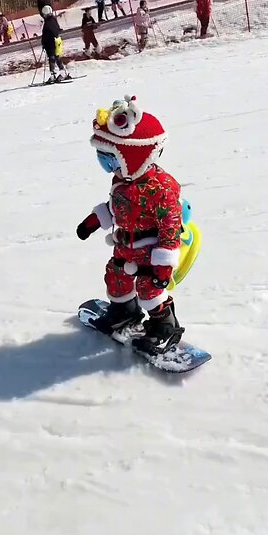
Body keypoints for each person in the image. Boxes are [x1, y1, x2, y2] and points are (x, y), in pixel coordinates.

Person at [76, 95, 185, 354]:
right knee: (116, 277)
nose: (107, 166)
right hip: (124, 247)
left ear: (134, 156)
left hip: (150, 254)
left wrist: (162, 269)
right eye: (102, 158)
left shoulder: (161, 189)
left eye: (110, 159)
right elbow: (117, 206)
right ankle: (124, 311)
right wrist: (93, 221)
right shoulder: (122, 180)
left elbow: (170, 229)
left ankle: (165, 326)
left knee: (149, 290)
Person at [40, 5, 70, 82]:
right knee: (56, 57)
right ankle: (62, 73)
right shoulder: (53, 19)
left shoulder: (47, 22)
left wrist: (43, 43)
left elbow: (46, 33)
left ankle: (55, 75)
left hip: (50, 42)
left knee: (52, 58)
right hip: (56, 40)